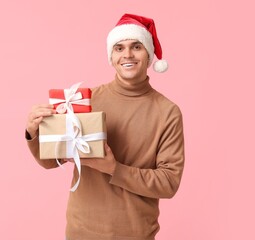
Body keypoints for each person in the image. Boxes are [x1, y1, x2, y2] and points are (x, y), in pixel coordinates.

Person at [25, 13, 185, 240]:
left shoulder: (168, 112)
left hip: (134, 234)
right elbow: (53, 160)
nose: (127, 54)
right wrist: (34, 132)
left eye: (136, 46)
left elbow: (168, 183)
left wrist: (114, 168)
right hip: (80, 230)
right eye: (119, 48)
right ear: (111, 56)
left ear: (148, 54)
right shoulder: (85, 100)